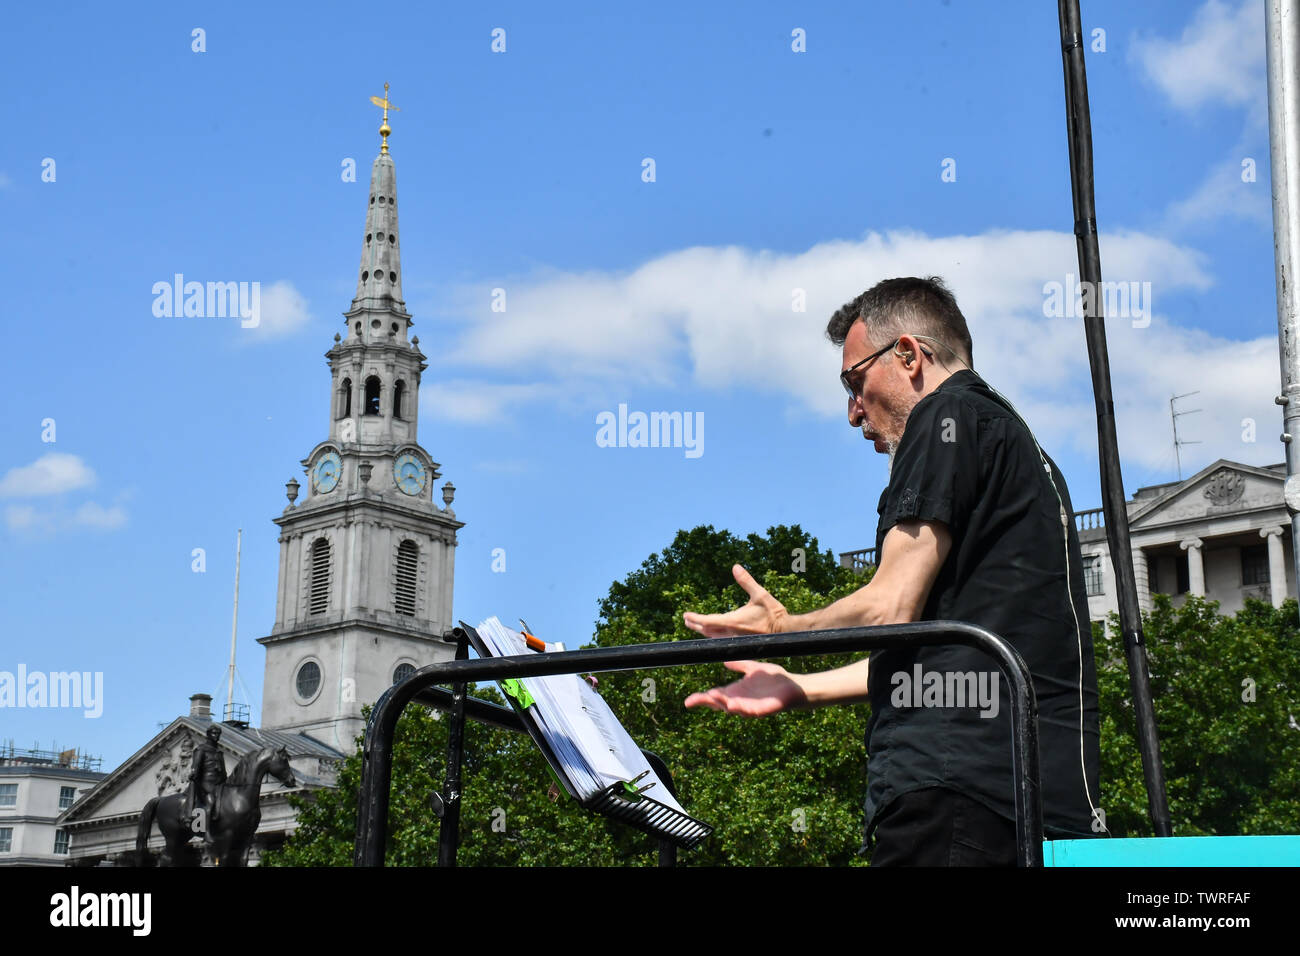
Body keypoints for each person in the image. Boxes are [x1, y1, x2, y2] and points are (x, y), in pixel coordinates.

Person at [683, 276, 1100, 866]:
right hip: (1034, 795)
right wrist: (799, 687)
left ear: (908, 354)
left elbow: (890, 608)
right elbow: (938, 650)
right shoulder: (1021, 448)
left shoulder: (945, 416)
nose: (853, 412)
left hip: (954, 790)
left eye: (856, 382)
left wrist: (786, 625)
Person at [187, 724, 227, 843]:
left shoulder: (219, 752)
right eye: (214, 734)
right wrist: (194, 773)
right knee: (211, 801)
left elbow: (223, 771)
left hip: (219, 782)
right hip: (205, 782)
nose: (216, 736)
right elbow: (196, 767)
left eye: (218, 734)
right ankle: (206, 832)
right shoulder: (201, 749)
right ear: (208, 735)